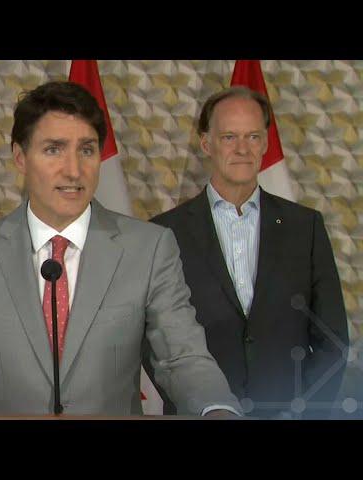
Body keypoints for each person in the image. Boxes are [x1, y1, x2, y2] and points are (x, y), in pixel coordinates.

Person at [0, 81, 240, 417]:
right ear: (20, 157)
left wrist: (218, 410)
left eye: (86, 150)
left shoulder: (149, 248)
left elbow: (182, 358)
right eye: (53, 150)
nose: (73, 170)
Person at [147, 86, 349, 419]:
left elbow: (333, 341)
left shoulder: (306, 227)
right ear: (206, 143)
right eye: (229, 137)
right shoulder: (163, 233)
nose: (242, 149)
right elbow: (153, 342)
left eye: (253, 137)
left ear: (266, 143)